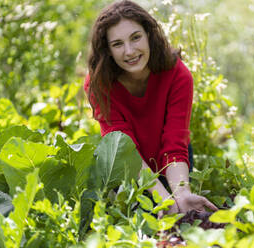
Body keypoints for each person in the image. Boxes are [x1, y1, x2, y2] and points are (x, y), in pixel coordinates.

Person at [84, 0, 217, 215]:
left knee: (180, 209)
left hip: (173, 165)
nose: (129, 51)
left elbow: (175, 144)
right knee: (144, 218)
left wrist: (180, 194)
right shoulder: (99, 84)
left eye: (135, 38)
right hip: (128, 165)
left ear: (149, 35)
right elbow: (124, 151)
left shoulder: (178, 75)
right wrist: (161, 198)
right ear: (107, 50)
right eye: (117, 44)